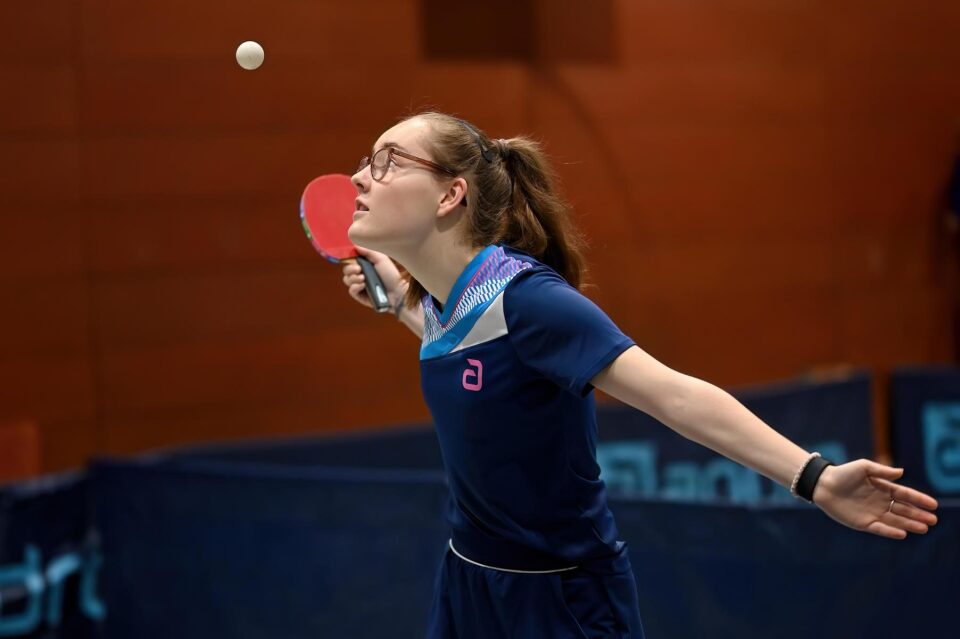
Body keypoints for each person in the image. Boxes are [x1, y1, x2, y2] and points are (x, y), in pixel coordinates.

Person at [340, 111, 940, 638]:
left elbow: (673, 395)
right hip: (467, 584)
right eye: (367, 161)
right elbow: (475, 353)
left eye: (388, 161)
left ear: (451, 196)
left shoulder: (529, 301)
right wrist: (399, 300)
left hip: (559, 601)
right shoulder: (448, 303)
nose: (362, 177)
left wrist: (815, 478)